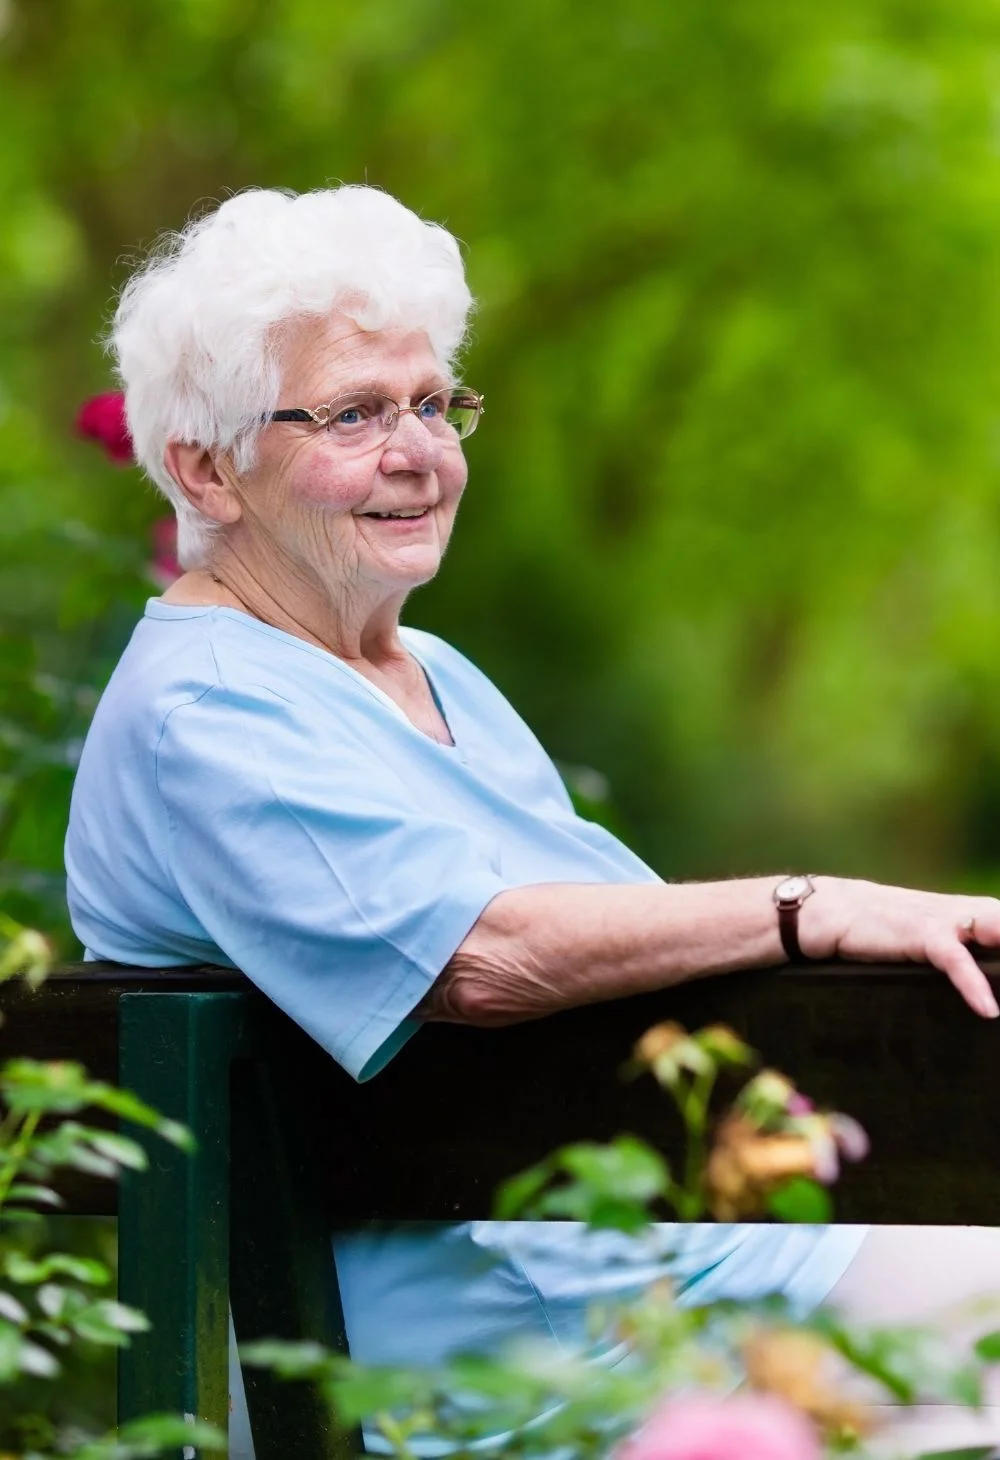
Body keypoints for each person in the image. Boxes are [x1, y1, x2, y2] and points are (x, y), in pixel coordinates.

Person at [65, 185, 1000, 1450]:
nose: (420, 450)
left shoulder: (429, 671)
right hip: (508, 1361)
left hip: (667, 1271)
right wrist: (808, 907)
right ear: (201, 465)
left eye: (434, 402)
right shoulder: (208, 713)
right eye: (355, 412)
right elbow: (481, 955)